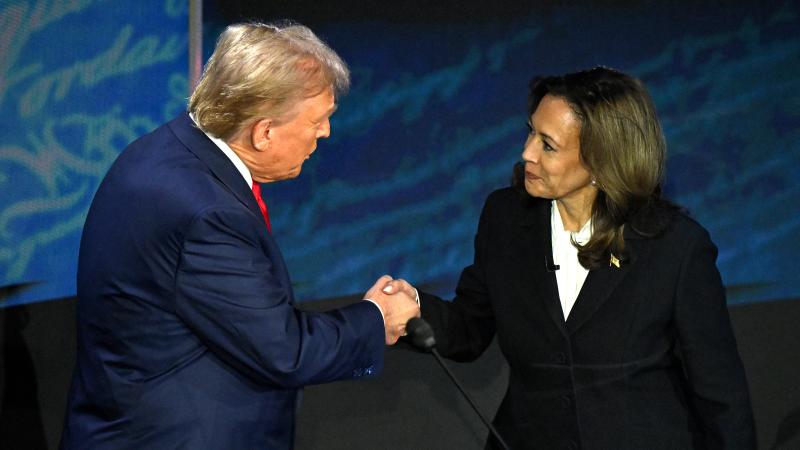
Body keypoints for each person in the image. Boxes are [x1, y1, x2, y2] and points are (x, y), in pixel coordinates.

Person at [60, 22, 419, 449]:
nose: (325, 133)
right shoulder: (207, 213)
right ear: (263, 131)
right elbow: (284, 352)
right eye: (319, 120)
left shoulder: (169, 149)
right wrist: (376, 319)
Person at [386, 67, 756, 449]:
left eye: (548, 144)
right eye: (530, 131)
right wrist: (412, 310)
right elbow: (469, 328)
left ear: (601, 159)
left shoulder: (675, 246)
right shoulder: (506, 219)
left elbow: (720, 393)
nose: (526, 152)